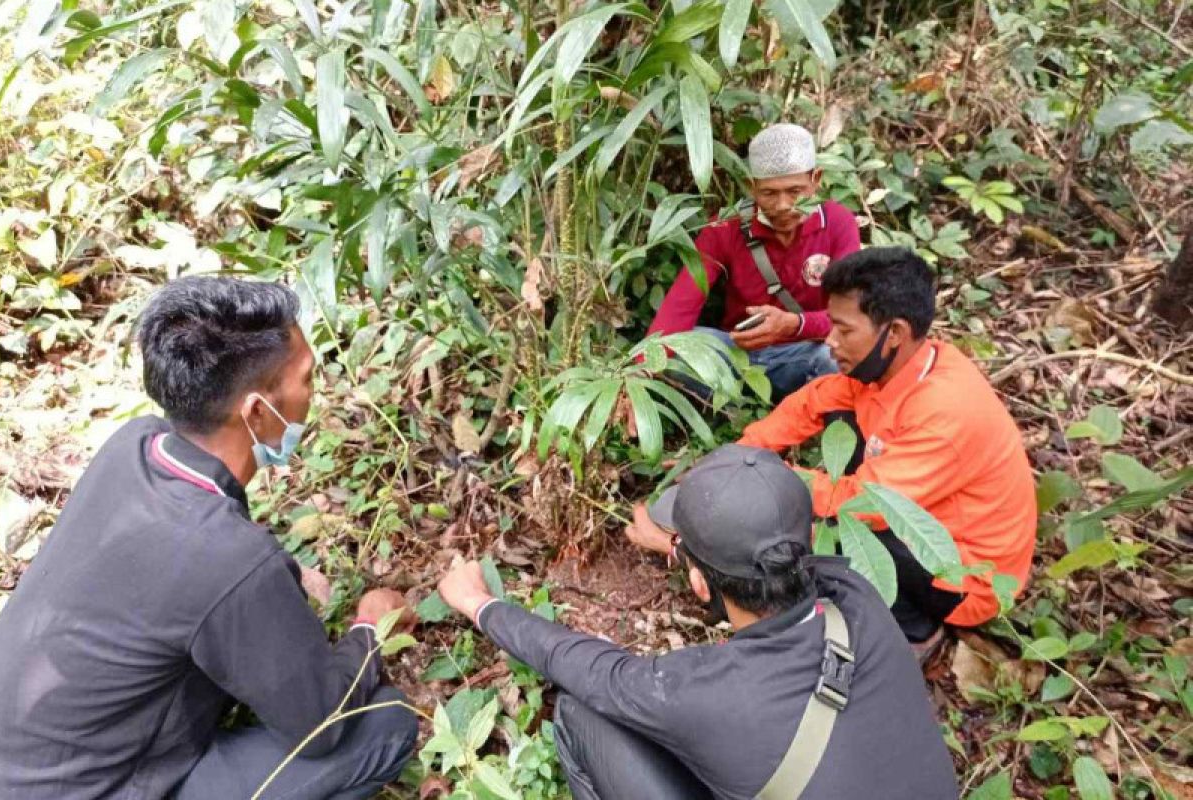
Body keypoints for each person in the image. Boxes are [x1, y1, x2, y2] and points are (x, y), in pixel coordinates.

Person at [0, 277, 418, 800]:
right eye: (307, 378)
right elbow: (321, 724)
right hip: (99, 787)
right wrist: (369, 628)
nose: (314, 392)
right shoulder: (233, 563)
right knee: (385, 725)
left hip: (18, 761)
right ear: (258, 412)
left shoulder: (134, 445)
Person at [438, 444, 960, 800]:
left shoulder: (704, 694)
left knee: (581, 715)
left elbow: (593, 670)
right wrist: (695, 551)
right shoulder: (860, 599)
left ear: (700, 585)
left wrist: (479, 604)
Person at [734, 247, 1036, 649]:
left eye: (844, 330)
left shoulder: (946, 411)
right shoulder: (892, 365)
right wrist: (744, 451)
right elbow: (813, 402)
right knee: (837, 416)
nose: (830, 340)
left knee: (814, 547)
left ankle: (913, 626)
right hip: (919, 509)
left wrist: (766, 476)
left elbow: (867, 504)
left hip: (964, 573)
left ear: (893, 332)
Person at [646, 122, 861, 400]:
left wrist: (794, 324)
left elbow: (853, 315)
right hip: (737, 356)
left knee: (837, 357)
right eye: (769, 193)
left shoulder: (838, 222)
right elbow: (680, 306)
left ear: (816, 180)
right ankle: (732, 409)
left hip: (807, 356)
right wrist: (641, 373)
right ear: (751, 187)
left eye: (795, 191)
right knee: (682, 345)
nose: (783, 205)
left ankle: (810, 415)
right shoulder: (726, 227)